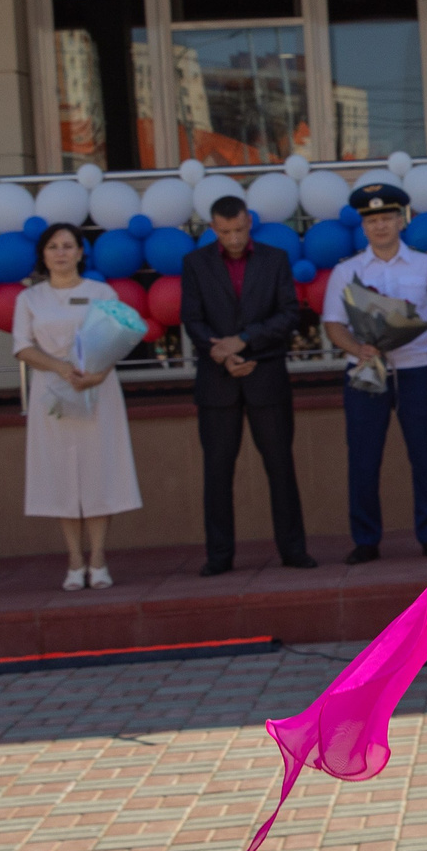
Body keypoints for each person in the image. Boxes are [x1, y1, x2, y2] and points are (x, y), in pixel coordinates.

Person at [325, 182, 427, 563]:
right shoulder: (346, 271)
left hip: (418, 371)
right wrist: (358, 348)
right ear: (363, 226)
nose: (380, 226)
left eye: (387, 218)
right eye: (372, 220)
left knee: (426, 457)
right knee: (364, 459)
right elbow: (333, 325)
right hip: (366, 373)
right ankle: (365, 540)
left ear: (402, 220)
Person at [181, 194, 315, 577]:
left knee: (280, 467)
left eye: (239, 229)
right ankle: (219, 556)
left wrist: (244, 341)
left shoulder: (274, 259)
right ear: (213, 229)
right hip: (216, 381)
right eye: (225, 232)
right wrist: (222, 354)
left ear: (249, 222)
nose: (234, 238)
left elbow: (289, 314)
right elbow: (191, 319)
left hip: (266, 375)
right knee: (217, 472)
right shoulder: (195, 263)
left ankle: (294, 550)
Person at [12, 225, 142, 590]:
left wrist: (97, 374)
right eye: (53, 247)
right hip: (52, 389)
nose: (61, 253)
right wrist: (59, 368)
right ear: (44, 254)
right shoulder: (30, 299)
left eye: (68, 246)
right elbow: (22, 346)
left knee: (98, 468)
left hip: (98, 389)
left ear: (81, 253)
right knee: (61, 474)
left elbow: (119, 337)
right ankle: (73, 561)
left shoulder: (101, 292)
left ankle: (98, 559)